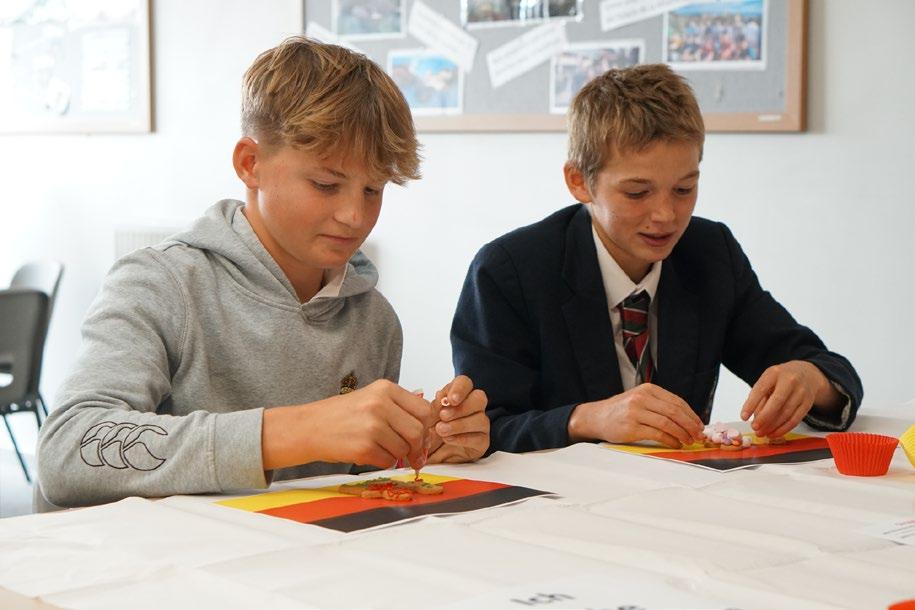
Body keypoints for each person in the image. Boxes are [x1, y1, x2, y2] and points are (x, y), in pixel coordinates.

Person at [37, 37, 489, 509]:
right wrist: (294, 431)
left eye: (373, 190)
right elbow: (66, 451)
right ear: (250, 164)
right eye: (326, 184)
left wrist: (423, 445)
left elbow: (344, 489)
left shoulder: (374, 320)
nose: (355, 216)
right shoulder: (161, 283)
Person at [451, 64, 861, 453]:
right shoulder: (509, 271)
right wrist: (587, 419)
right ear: (579, 182)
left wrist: (810, 379)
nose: (666, 215)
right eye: (637, 193)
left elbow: (828, 368)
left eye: (684, 189)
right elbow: (481, 429)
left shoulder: (709, 253)